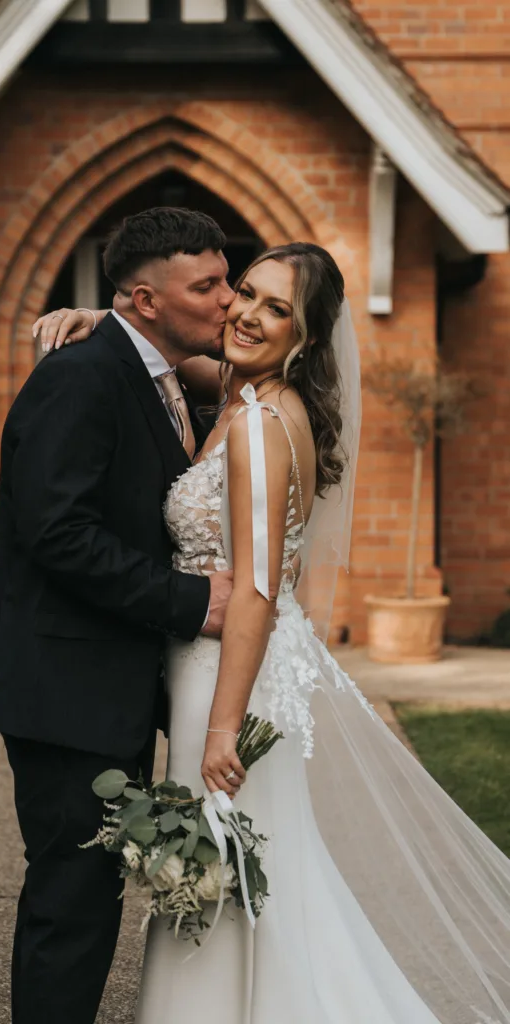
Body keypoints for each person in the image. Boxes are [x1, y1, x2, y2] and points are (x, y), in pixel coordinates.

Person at [40, 239, 510, 1024]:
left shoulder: (258, 425)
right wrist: (109, 320)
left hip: (230, 674)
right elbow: (176, 361)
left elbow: (256, 589)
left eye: (276, 308)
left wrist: (223, 727)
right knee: (238, 866)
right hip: (220, 665)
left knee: (219, 865)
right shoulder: (238, 389)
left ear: (307, 336)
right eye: (245, 293)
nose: (247, 315)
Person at [0, 208, 243, 1024]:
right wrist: (192, 602)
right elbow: (57, 532)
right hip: (62, 685)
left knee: (86, 893)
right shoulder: (80, 376)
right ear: (146, 299)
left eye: (227, 280)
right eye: (208, 285)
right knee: (70, 897)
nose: (227, 299)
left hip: (103, 683)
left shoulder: (145, 366)